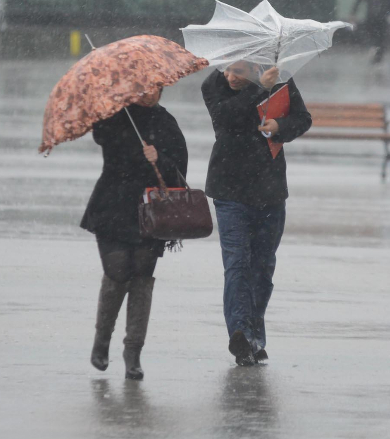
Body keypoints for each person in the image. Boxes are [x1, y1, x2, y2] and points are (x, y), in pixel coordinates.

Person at [202, 62, 312, 366]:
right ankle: (239, 334)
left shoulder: (281, 81)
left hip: (270, 190)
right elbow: (227, 117)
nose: (230, 76)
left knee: (262, 269)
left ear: (254, 64)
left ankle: (254, 336)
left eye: (238, 71)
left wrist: (281, 127)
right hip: (229, 190)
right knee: (237, 263)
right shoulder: (213, 85)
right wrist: (259, 87)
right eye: (228, 70)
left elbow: (303, 119)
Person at [82, 88, 188, 380]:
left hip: (150, 212)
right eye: (144, 88)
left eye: (157, 88)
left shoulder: (166, 122)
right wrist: (110, 106)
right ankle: (102, 340)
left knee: (141, 277)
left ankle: (133, 351)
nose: (150, 93)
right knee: (117, 272)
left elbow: (179, 171)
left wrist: (159, 158)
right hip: (111, 206)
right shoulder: (115, 116)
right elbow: (101, 136)